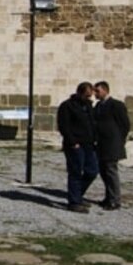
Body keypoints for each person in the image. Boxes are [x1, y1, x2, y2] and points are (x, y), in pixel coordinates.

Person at [57, 82, 99, 213]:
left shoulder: (88, 106)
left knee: (92, 171)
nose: (89, 98)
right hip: (75, 144)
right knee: (75, 172)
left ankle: (77, 195)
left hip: (89, 144)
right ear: (80, 93)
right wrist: (73, 142)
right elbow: (64, 125)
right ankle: (74, 202)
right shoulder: (67, 106)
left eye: (90, 96)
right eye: (87, 95)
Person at [93, 81, 130, 210]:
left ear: (105, 90)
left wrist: (119, 140)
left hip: (112, 144)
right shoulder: (98, 106)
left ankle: (115, 200)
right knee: (104, 171)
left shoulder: (116, 105)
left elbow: (124, 124)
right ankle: (109, 197)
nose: (95, 94)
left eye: (97, 91)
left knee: (111, 171)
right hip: (101, 144)